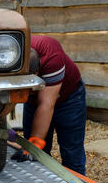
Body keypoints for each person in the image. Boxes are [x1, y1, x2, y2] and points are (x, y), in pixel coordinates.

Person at [11, 35, 87, 175]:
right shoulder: (9, 54)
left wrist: (34, 145)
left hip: (69, 99)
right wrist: (5, 131)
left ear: (37, 72)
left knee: (71, 153)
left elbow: (46, 105)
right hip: (36, 103)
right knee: (35, 156)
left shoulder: (52, 58)